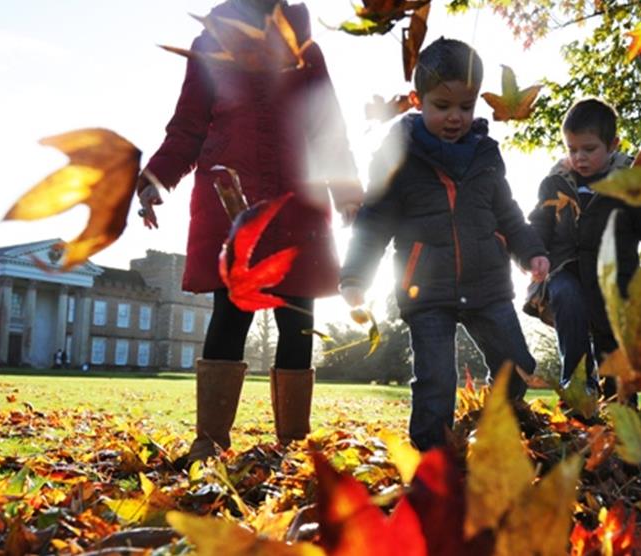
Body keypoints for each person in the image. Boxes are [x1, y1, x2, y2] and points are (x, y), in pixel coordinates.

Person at [135, 0, 362, 461]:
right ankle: (210, 441)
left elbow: (326, 126)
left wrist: (348, 192)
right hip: (231, 200)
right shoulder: (210, 43)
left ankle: (293, 444)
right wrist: (156, 179)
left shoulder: (305, 47)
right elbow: (188, 127)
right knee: (231, 311)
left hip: (298, 201)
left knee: (298, 318)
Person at [339, 38, 550, 451]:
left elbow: (506, 212)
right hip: (427, 287)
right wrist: (355, 275)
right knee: (436, 377)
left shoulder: (486, 154)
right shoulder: (397, 156)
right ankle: (432, 453)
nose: (456, 117)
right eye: (442, 106)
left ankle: (494, 430)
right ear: (418, 100)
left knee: (517, 364)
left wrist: (531, 251)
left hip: (487, 283)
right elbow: (374, 219)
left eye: (466, 106)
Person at [528, 98, 641, 404]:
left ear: (613, 145)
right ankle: (578, 389)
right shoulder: (555, 185)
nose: (579, 157)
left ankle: (622, 413)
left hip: (616, 287)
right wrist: (531, 253)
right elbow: (539, 225)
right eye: (572, 149)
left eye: (589, 149)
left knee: (615, 359)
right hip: (565, 272)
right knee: (567, 299)